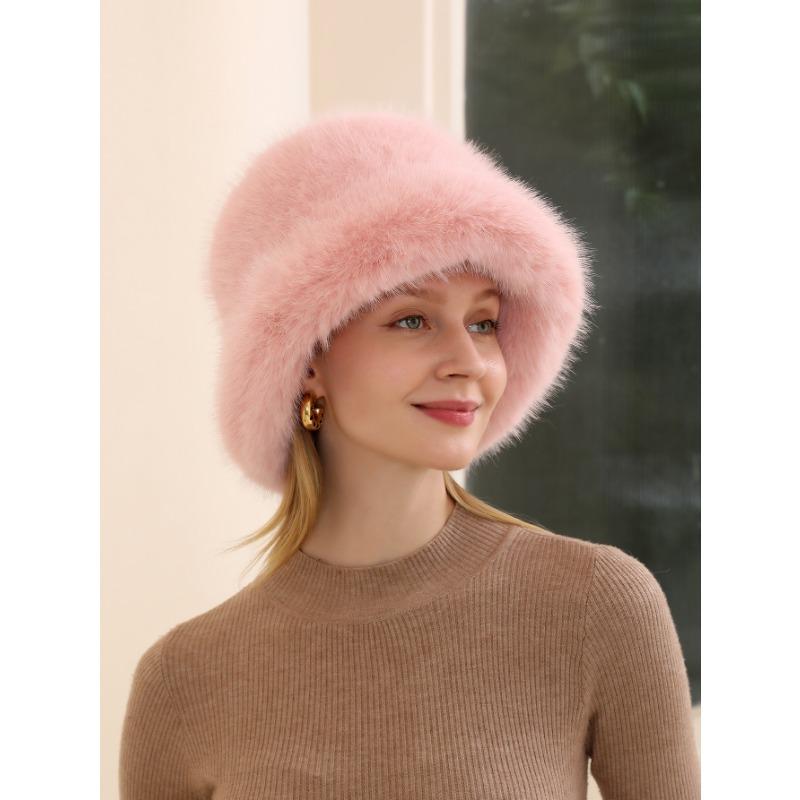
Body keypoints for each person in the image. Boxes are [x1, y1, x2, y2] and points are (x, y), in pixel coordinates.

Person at [119, 109, 701, 799]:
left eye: (483, 322)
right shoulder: (184, 680)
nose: (469, 361)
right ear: (306, 359)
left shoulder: (596, 604)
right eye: (413, 319)